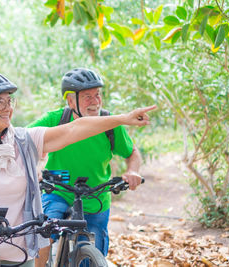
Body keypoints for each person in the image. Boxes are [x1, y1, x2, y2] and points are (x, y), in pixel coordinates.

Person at [0, 71, 155, 267]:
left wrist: (123, 118)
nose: (7, 108)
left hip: (19, 248)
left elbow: (74, 129)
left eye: (9, 101)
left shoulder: (25, 141)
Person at [28, 67, 145, 266]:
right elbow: (23, 142)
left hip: (96, 196)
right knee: (43, 238)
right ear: (71, 101)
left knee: (91, 259)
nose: (95, 101)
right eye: (87, 96)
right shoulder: (55, 120)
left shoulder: (110, 124)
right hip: (58, 189)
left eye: (97, 95)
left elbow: (132, 153)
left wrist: (133, 171)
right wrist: (35, 166)